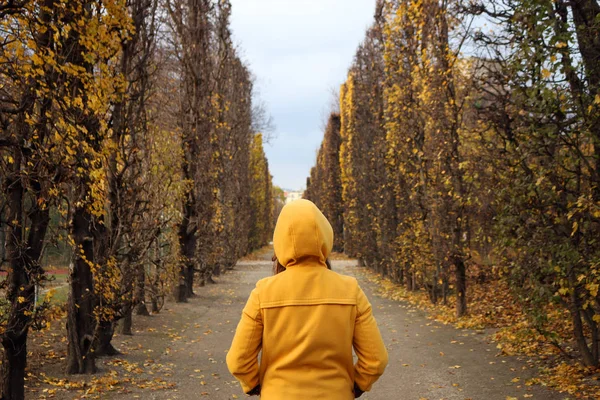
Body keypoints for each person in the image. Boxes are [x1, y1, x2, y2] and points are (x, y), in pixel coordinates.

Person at [226, 199, 388, 399]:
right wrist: (356, 386)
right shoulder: (350, 290)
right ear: (325, 236)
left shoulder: (263, 292)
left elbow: (238, 360)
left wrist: (257, 386)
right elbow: (376, 360)